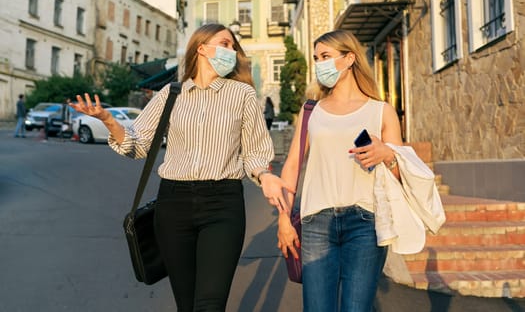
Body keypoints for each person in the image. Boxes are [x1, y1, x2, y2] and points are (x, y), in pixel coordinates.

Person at [70, 23, 290, 312]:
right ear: (201, 48)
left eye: (234, 47)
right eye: (225, 44)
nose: (232, 51)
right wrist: (109, 121)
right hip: (174, 205)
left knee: (209, 305)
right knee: (186, 305)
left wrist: (265, 175)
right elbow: (137, 145)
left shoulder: (242, 95)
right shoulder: (170, 94)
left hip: (223, 204)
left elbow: (255, 152)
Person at [276, 29, 403, 312]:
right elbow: (293, 165)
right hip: (316, 223)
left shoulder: (381, 111)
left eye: (326, 56)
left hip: (365, 222)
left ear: (349, 59)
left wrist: (387, 155)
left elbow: (398, 177)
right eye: (316, 58)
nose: (320, 64)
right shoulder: (312, 110)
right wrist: (284, 218)